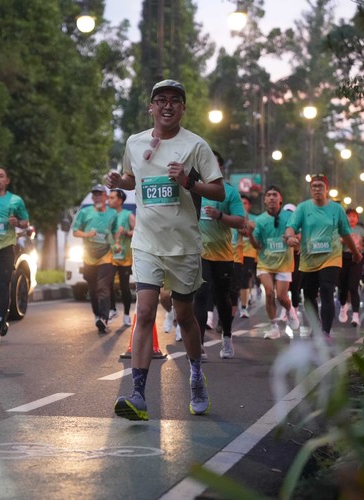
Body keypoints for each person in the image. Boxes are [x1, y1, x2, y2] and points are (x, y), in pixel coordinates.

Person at [106, 79, 225, 420]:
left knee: (185, 316)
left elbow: (218, 191)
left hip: (183, 246)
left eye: (175, 100)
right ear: (151, 107)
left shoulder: (196, 145)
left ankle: (196, 375)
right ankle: (138, 395)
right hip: (147, 243)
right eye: (161, 100)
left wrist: (188, 181)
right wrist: (119, 182)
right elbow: (133, 179)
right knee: (145, 312)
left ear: (183, 108)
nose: (167, 105)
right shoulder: (135, 142)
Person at [284, 174, 362, 342]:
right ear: (310, 189)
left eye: (320, 186)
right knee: (309, 295)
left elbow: (345, 233)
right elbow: (291, 227)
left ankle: (326, 332)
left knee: (327, 290)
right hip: (309, 259)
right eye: (314, 186)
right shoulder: (303, 208)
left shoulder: (337, 209)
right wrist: (290, 237)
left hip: (331, 257)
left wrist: (355, 253)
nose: (317, 189)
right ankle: (316, 323)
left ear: (327, 189)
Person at [194, 150, 245, 359]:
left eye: (213, 162)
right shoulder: (194, 189)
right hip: (199, 252)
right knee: (200, 295)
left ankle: (227, 337)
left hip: (223, 254)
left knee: (222, 298)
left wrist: (220, 215)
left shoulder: (230, 192)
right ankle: (198, 345)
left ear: (220, 167)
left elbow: (240, 221)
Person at [0, 166, 29, 341]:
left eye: (1, 176)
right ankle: (2, 315)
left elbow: (25, 222)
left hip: (6, 248)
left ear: (7, 180)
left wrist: (17, 222)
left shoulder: (15, 200)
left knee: (3, 285)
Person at [247, 186, 299, 339]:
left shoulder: (290, 217)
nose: (271, 198)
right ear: (264, 200)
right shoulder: (260, 220)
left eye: (275, 195)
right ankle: (274, 327)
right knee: (269, 293)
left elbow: (299, 234)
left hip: (284, 263)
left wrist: (294, 240)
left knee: (281, 297)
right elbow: (257, 246)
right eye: (268, 195)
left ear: (280, 199)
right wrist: (249, 233)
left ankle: (290, 310)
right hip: (265, 263)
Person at [72, 184, 116, 333]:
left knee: (103, 286)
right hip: (89, 256)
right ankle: (97, 315)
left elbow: (117, 232)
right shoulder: (84, 213)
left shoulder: (113, 214)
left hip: (106, 256)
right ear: (92, 197)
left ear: (106, 197)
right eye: (95, 195)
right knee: (93, 288)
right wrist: (87, 234)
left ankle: (104, 317)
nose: (97, 197)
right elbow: (75, 232)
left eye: (100, 194)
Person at [107, 188, 135, 327]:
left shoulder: (128, 215)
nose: (109, 200)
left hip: (125, 257)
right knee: (107, 283)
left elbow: (137, 231)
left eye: (112, 198)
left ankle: (126, 315)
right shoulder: (107, 215)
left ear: (119, 200)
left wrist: (126, 233)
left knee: (124, 287)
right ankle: (112, 309)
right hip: (110, 256)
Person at [337, 208, 364, 327]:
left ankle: (355, 315)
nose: (351, 218)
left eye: (354, 216)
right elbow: (336, 241)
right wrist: (342, 240)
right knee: (343, 286)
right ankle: (343, 306)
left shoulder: (361, 230)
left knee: (353, 286)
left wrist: (363, 246)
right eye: (349, 216)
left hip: (356, 258)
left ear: (357, 218)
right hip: (343, 257)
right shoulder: (340, 228)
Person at [238, 194, 258, 318]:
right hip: (234, 253)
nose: (242, 206)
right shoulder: (232, 217)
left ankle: (244, 307)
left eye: (245, 203)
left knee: (245, 278)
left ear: (249, 205)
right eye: (241, 203)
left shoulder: (255, 219)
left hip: (250, 253)